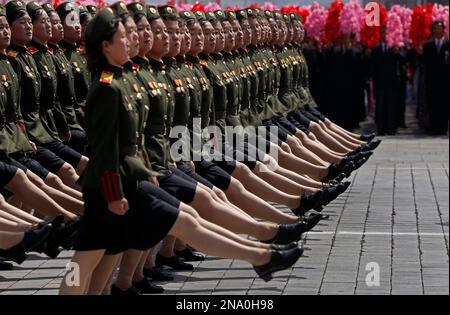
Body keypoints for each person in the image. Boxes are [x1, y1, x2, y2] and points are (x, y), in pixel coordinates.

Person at [59, 8, 303, 295]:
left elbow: (134, 139)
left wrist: (146, 171)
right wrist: (114, 195)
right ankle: (262, 256)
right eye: (123, 37)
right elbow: (103, 150)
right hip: (110, 189)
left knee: (99, 255)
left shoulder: (121, 81)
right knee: (87, 259)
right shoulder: (106, 89)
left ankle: (262, 253)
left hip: (127, 182)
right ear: (106, 46)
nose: (131, 41)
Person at [419, 20, 449, 135]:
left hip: (445, 81)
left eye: (439, 28)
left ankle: (443, 127)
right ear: (432, 30)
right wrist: (420, 53)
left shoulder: (447, 44)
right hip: (431, 80)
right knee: (432, 103)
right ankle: (433, 127)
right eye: (435, 28)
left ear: (443, 29)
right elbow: (423, 62)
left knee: (444, 104)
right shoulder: (427, 45)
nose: (437, 30)